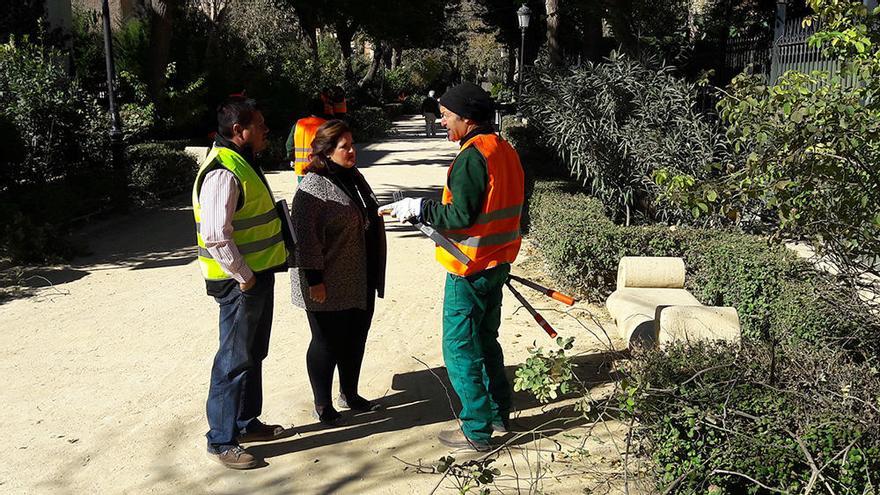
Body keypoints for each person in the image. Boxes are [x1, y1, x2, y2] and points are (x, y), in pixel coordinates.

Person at [380, 83, 524, 452]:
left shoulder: (471, 157)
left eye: (446, 116)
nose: (441, 121)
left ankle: (476, 429)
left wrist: (420, 208)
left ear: (467, 118)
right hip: (497, 263)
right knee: (485, 340)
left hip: (469, 269)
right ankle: (497, 413)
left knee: (460, 347)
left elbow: (460, 215)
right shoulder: (504, 150)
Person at [193, 96, 290, 469]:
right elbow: (217, 235)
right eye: (260, 125)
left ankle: (247, 423)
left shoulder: (242, 161)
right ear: (239, 131)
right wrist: (245, 278)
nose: (266, 130)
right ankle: (221, 440)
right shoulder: (223, 170)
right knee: (233, 360)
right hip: (239, 284)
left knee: (252, 354)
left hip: (255, 277)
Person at [289, 120, 387, 427]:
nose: (352, 151)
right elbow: (305, 240)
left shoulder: (353, 176)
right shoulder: (312, 187)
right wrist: (315, 281)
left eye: (352, 144)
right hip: (326, 280)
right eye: (344, 146)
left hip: (359, 276)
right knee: (327, 341)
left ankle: (350, 393)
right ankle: (323, 404)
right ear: (327, 151)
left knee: (355, 336)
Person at [285, 98, 328, 184]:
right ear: (323, 109)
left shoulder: (299, 124)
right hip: (321, 169)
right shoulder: (326, 125)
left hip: (302, 170)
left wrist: (292, 158)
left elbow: (289, 145)